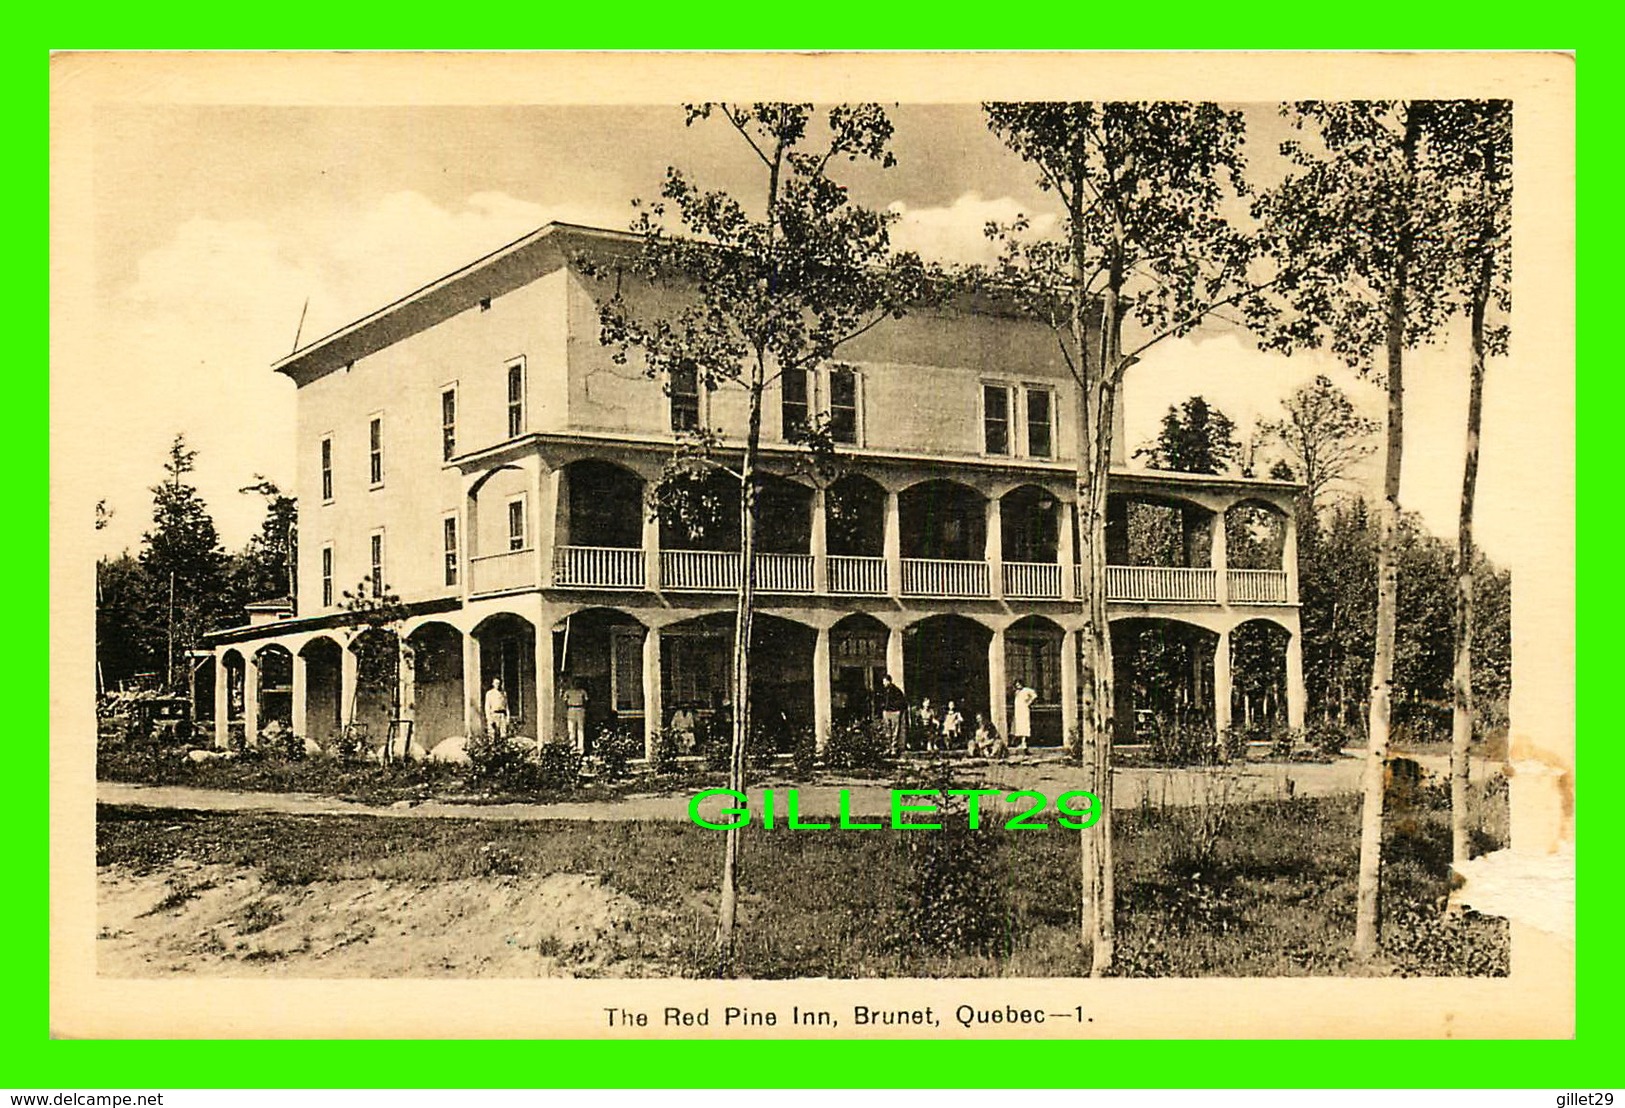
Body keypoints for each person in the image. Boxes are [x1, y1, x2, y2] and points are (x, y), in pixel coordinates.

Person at [878, 674, 908, 755]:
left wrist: (896, 708)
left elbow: (902, 702)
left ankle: (894, 748)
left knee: (895, 731)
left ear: (889, 681)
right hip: (886, 712)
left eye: (884, 681)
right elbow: (880, 700)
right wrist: (883, 707)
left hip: (894, 712)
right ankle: (888, 747)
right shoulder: (883, 691)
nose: (883, 683)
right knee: (887, 730)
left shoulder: (896, 691)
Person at [562, 678, 590, 753]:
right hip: (571, 708)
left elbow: (586, 701)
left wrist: (583, 708)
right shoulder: (568, 692)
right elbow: (565, 701)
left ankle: (580, 747)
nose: (576, 684)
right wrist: (569, 707)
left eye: (578, 683)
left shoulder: (582, 691)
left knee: (580, 728)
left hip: (580, 708)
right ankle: (572, 745)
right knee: (571, 728)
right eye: (574, 683)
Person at [1011, 679, 1038, 752]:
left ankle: (1024, 742)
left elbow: (1034, 695)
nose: (1018, 686)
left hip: (1024, 710)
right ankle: (1020, 742)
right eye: (1016, 684)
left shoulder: (1026, 690)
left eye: (1019, 684)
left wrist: (1029, 702)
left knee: (1024, 726)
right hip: (1018, 711)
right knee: (1018, 727)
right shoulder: (1016, 692)